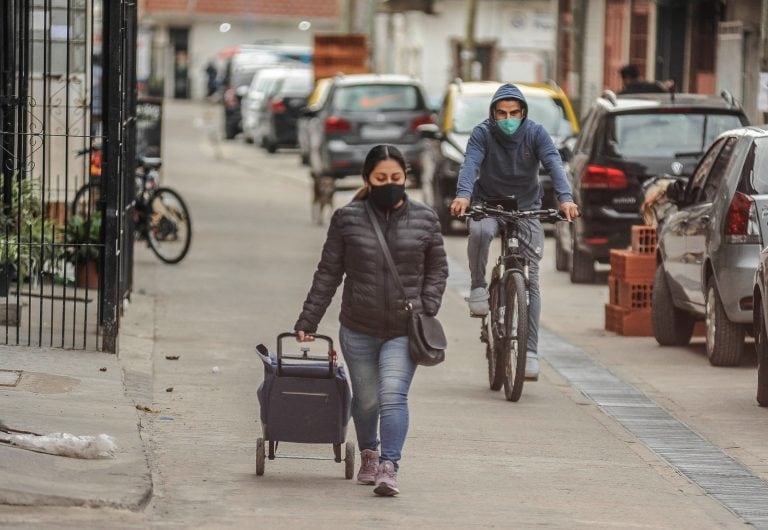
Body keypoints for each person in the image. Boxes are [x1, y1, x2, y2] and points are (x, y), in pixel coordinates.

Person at [294, 144, 448, 497]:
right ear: (367, 179)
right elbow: (328, 273)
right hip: (358, 328)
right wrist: (308, 319)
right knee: (366, 401)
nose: (390, 184)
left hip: (402, 329)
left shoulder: (425, 219)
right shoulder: (347, 219)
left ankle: (389, 466)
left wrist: (426, 306)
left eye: (396, 178)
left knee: (393, 395)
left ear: (406, 178)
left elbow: (438, 269)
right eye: (381, 178)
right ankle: (368, 452)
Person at [449, 83, 579, 381]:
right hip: (488, 203)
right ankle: (479, 287)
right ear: (493, 114)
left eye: (514, 113)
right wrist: (463, 196)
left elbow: (555, 164)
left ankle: (530, 352)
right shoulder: (482, 134)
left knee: (531, 280)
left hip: (526, 207)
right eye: (502, 113)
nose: (508, 118)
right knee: (480, 233)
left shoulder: (535, 134)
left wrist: (566, 199)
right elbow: (469, 165)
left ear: (523, 113)